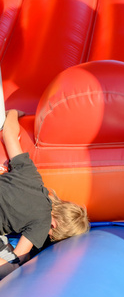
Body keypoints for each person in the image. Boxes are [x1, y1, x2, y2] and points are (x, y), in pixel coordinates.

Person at [0, 110, 90, 279]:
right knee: (14, 268)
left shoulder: (32, 177)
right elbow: (19, 256)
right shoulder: (43, 224)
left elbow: (9, 134)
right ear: (55, 228)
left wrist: (13, 113)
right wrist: (26, 259)